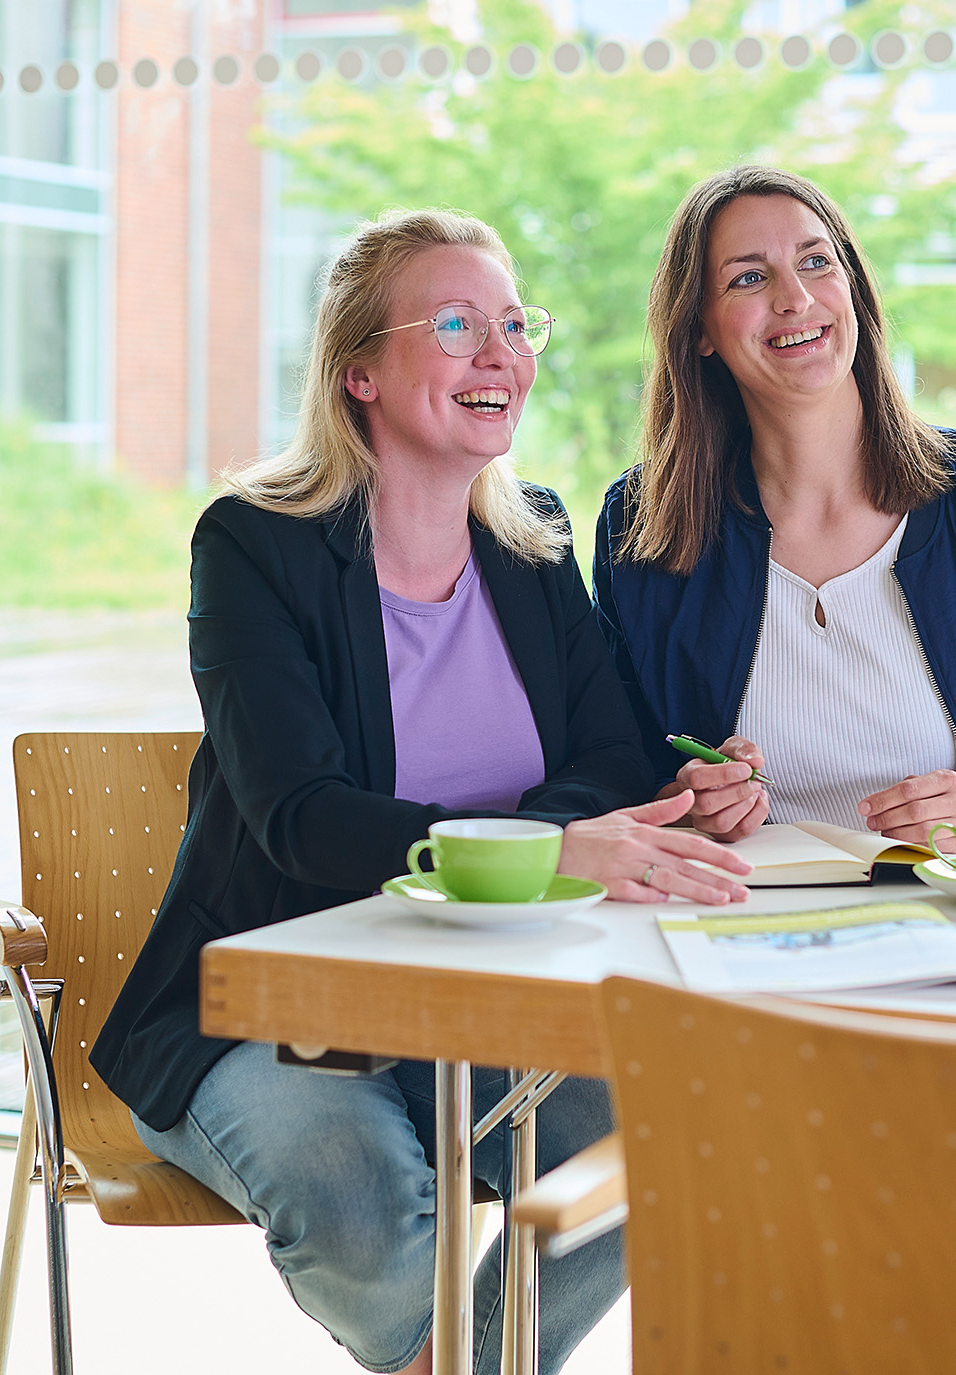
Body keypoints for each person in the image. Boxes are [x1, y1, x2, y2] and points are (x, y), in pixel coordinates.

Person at [91, 208, 749, 1375]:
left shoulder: (533, 537)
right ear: (359, 372)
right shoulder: (254, 545)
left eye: (511, 322)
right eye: (455, 324)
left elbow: (611, 758)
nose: (500, 354)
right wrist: (547, 852)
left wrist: (649, 800)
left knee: (671, 1129)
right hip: (271, 1003)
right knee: (356, 1190)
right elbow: (303, 815)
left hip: (487, 1002)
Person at [594, 166, 956, 851]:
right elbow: (618, 771)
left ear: (852, 288)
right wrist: (685, 802)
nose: (794, 299)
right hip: (742, 926)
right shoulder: (640, 526)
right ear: (699, 329)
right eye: (748, 278)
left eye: (815, 262)